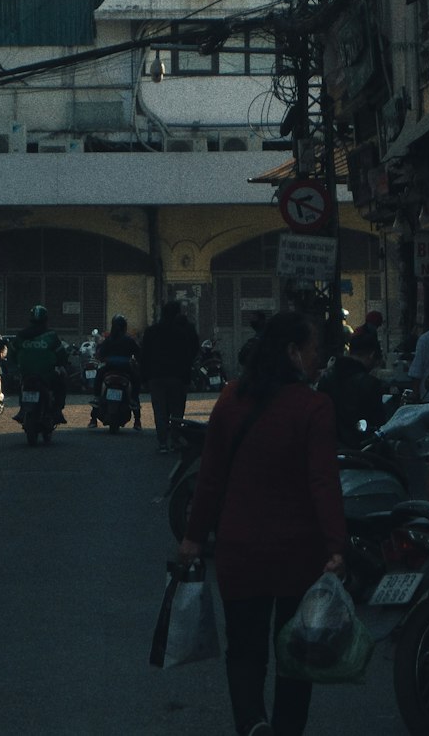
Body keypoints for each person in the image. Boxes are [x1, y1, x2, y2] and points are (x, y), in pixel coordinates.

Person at [179, 312, 346, 736]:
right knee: (295, 655)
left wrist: (194, 538)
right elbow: (323, 483)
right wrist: (337, 547)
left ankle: (252, 723)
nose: (318, 359)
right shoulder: (314, 407)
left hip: (241, 551)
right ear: (292, 352)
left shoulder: (231, 399)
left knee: (246, 651)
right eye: (313, 351)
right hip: (298, 556)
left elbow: (209, 478)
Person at [140, 300, 200, 452]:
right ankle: (174, 439)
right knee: (177, 410)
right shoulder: (181, 332)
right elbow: (187, 356)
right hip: (176, 377)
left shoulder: (151, 331)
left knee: (159, 411)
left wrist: (144, 378)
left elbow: (144, 356)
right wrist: (187, 379)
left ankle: (162, 443)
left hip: (156, 376)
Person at [318, 329, 386, 449]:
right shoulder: (370, 383)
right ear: (371, 355)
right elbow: (378, 425)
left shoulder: (327, 378)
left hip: (329, 448)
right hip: (362, 453)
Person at [8, 305, 69, 424]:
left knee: (22, 385)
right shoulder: (50, 335)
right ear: (46, 320)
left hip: (26, 372)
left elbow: (12, 353)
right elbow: (61, 353)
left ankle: (22, 410)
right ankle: (57, 410)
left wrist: (16, 366)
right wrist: (62, 364)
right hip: (47, 373)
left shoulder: (21, 335)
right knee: (61, 382)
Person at [89, 314, 142, 430]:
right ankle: (137, 420)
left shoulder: (108, 340)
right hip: (125, 368)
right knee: (135, 384)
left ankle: (94, 415)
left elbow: (100, 354)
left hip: (109, 367)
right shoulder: (128, 340)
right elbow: (138, 354)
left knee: (98, 379)